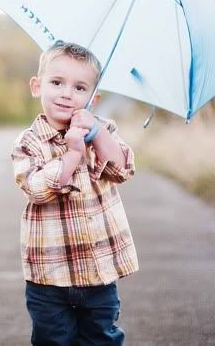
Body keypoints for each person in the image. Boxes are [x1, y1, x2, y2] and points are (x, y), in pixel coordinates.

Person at [11, 41, 138, 346]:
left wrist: (96, 134)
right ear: (36, 86)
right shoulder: (29, 142)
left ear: (94, 98)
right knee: (53, 341)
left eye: (80, 88)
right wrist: (71, 155)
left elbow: (121, 170)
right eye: (57, 83)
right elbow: (37, 189)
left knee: (101, 339)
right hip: (49, 277)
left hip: (98, 271)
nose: (67, 93)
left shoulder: (101, 129)